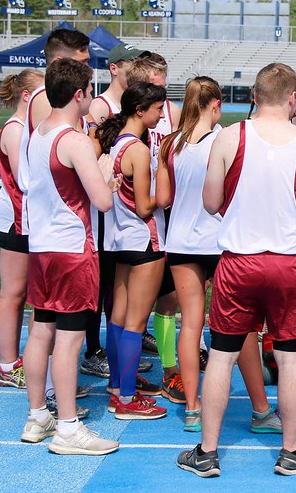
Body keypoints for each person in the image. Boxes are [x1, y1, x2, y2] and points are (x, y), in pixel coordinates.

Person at [179, 63, 296, 477]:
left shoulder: (229, 136)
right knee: (291, 358)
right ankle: (291, 451)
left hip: (239, 262)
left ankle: (207, 451)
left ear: (254, 96)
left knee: (223, 357)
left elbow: (210, 202)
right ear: (291, 96)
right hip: (287, 263)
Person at [20, 57, 119, 454]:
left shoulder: (38, 133)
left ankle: (37, 415)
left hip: (42, 246)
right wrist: (108, 174)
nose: (92, 98)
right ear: (78, 95)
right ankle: (67, 427)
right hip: (72, 248)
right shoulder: (74, 140)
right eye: (90, 91)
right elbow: (102, 202)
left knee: (42, 329)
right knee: (70, 339)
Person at [97, 81, 170, 420]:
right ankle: (126, 397)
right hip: (144, 241)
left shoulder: (116, 143)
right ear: (140, 110)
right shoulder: (138, 150)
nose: (160, 114)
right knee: (136, 323)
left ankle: (117, 385)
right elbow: (144, 206)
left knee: (118, 318)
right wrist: (166, 194)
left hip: (119, 240)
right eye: (157, 109)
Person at [155, 76, 224, 432]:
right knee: (228, 326)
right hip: (216, 240)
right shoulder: (222, 140)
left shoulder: (170, 144)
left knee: (190, 324)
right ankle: (253, 404)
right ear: (215, 105)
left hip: (180, 241)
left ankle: (193, 406)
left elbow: (163, 200)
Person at [81, 42, 149, 381]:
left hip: (123, 217)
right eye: (131, 63)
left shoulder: (135, 104)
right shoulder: (100, 104)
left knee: (117, 292)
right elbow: (93, 153)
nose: (137, 68)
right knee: (103, 288)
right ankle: (94, 350)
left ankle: (118, 353)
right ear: (114, 68)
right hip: (106, 214)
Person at [126, 53, 184, 400]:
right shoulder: (125, 119)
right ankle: (126, 382)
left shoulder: (170, 114)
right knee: (128, 312)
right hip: (135, 228)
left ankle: (168, 369)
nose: (163, 95)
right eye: (157, 86)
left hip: (164, 224)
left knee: (169, 300)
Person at [0, 68, 44, 390]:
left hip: (31, 220)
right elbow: (26, 182)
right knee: (13, 294)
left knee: (35, 296)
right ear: (27, 96)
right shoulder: (15, 130)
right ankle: (8, 365)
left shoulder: (31, 128)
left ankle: (31, 362)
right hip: (16, 220)